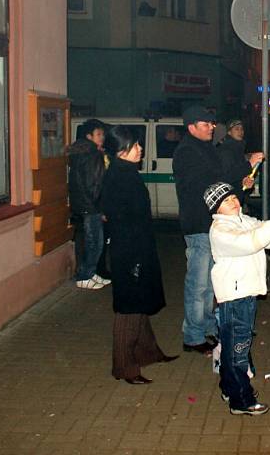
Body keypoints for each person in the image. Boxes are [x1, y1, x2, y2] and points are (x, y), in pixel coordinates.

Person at [173, 105, 263, 355]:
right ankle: (193, 336)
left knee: (212, 283)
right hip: (199, 224)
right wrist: (246, 164)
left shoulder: (205, 148)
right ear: (191, 127)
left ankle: (208, 327)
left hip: (212, 224)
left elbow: (220, 184)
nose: (212, 128)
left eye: (212, 124)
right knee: (198, 284)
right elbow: (210, 179)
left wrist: (240, 185)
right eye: (206, 124)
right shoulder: (187, 152)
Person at [203, 181, 270, 415]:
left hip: (247, 294)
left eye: (233, 197)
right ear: (216, 209)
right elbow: (249, 243)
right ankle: (240, 400)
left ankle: (228, 387)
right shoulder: (220, 230)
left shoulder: (246, 221)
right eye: (225, 201)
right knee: (238, 351)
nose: (232, 202)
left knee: (235, 347)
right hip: (235, 297)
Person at [101, 125, 178, 384]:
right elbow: (122, 221)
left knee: (139, 303)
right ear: (122, 150)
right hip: (129, 252)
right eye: (135, 145)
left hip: (136, 248)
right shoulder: (120, 177)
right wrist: (134, 260)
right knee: (129, 309)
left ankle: (148, 352)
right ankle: (124, 368)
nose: (140, 149)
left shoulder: (124, 172)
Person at [67, 118, 111, 290]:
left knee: (93, 241)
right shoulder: (92, 154)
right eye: (98, 134)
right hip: (90, 205)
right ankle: (85, 276)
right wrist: (99, 207)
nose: (102, 138)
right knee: (95, 242)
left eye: (103, 134)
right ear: (89, 136)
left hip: (85, 203)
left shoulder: (83, 152)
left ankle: (91, 273)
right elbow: (94, 183)